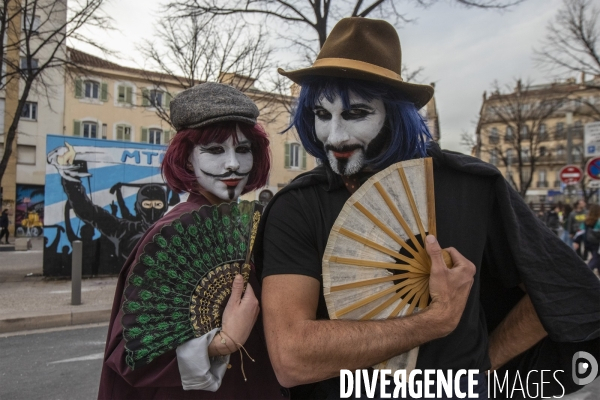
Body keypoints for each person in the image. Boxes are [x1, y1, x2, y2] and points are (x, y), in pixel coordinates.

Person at [255, 17, 599, 398]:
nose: (334, 137)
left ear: (394, 112)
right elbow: (292, 358)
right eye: (322, 115)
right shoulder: (299, 205)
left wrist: (483, 366)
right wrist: (434, 321)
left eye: (356, 114)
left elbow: (557, 292)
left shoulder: (472, 186)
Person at [98, 82, 281, 399]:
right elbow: (129, 352)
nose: (232, 164)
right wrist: (222, 341)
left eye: (242, 149)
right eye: (214, 150)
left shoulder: (245, 227)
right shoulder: (173, 231)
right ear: (186, 160)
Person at [583, 204, 600, 275]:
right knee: (596, 258)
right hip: (597, 243)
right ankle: (586, 273)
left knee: (597, 259)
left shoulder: (587, 220)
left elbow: (583, 232)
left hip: (589, 242)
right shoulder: (598, 221)